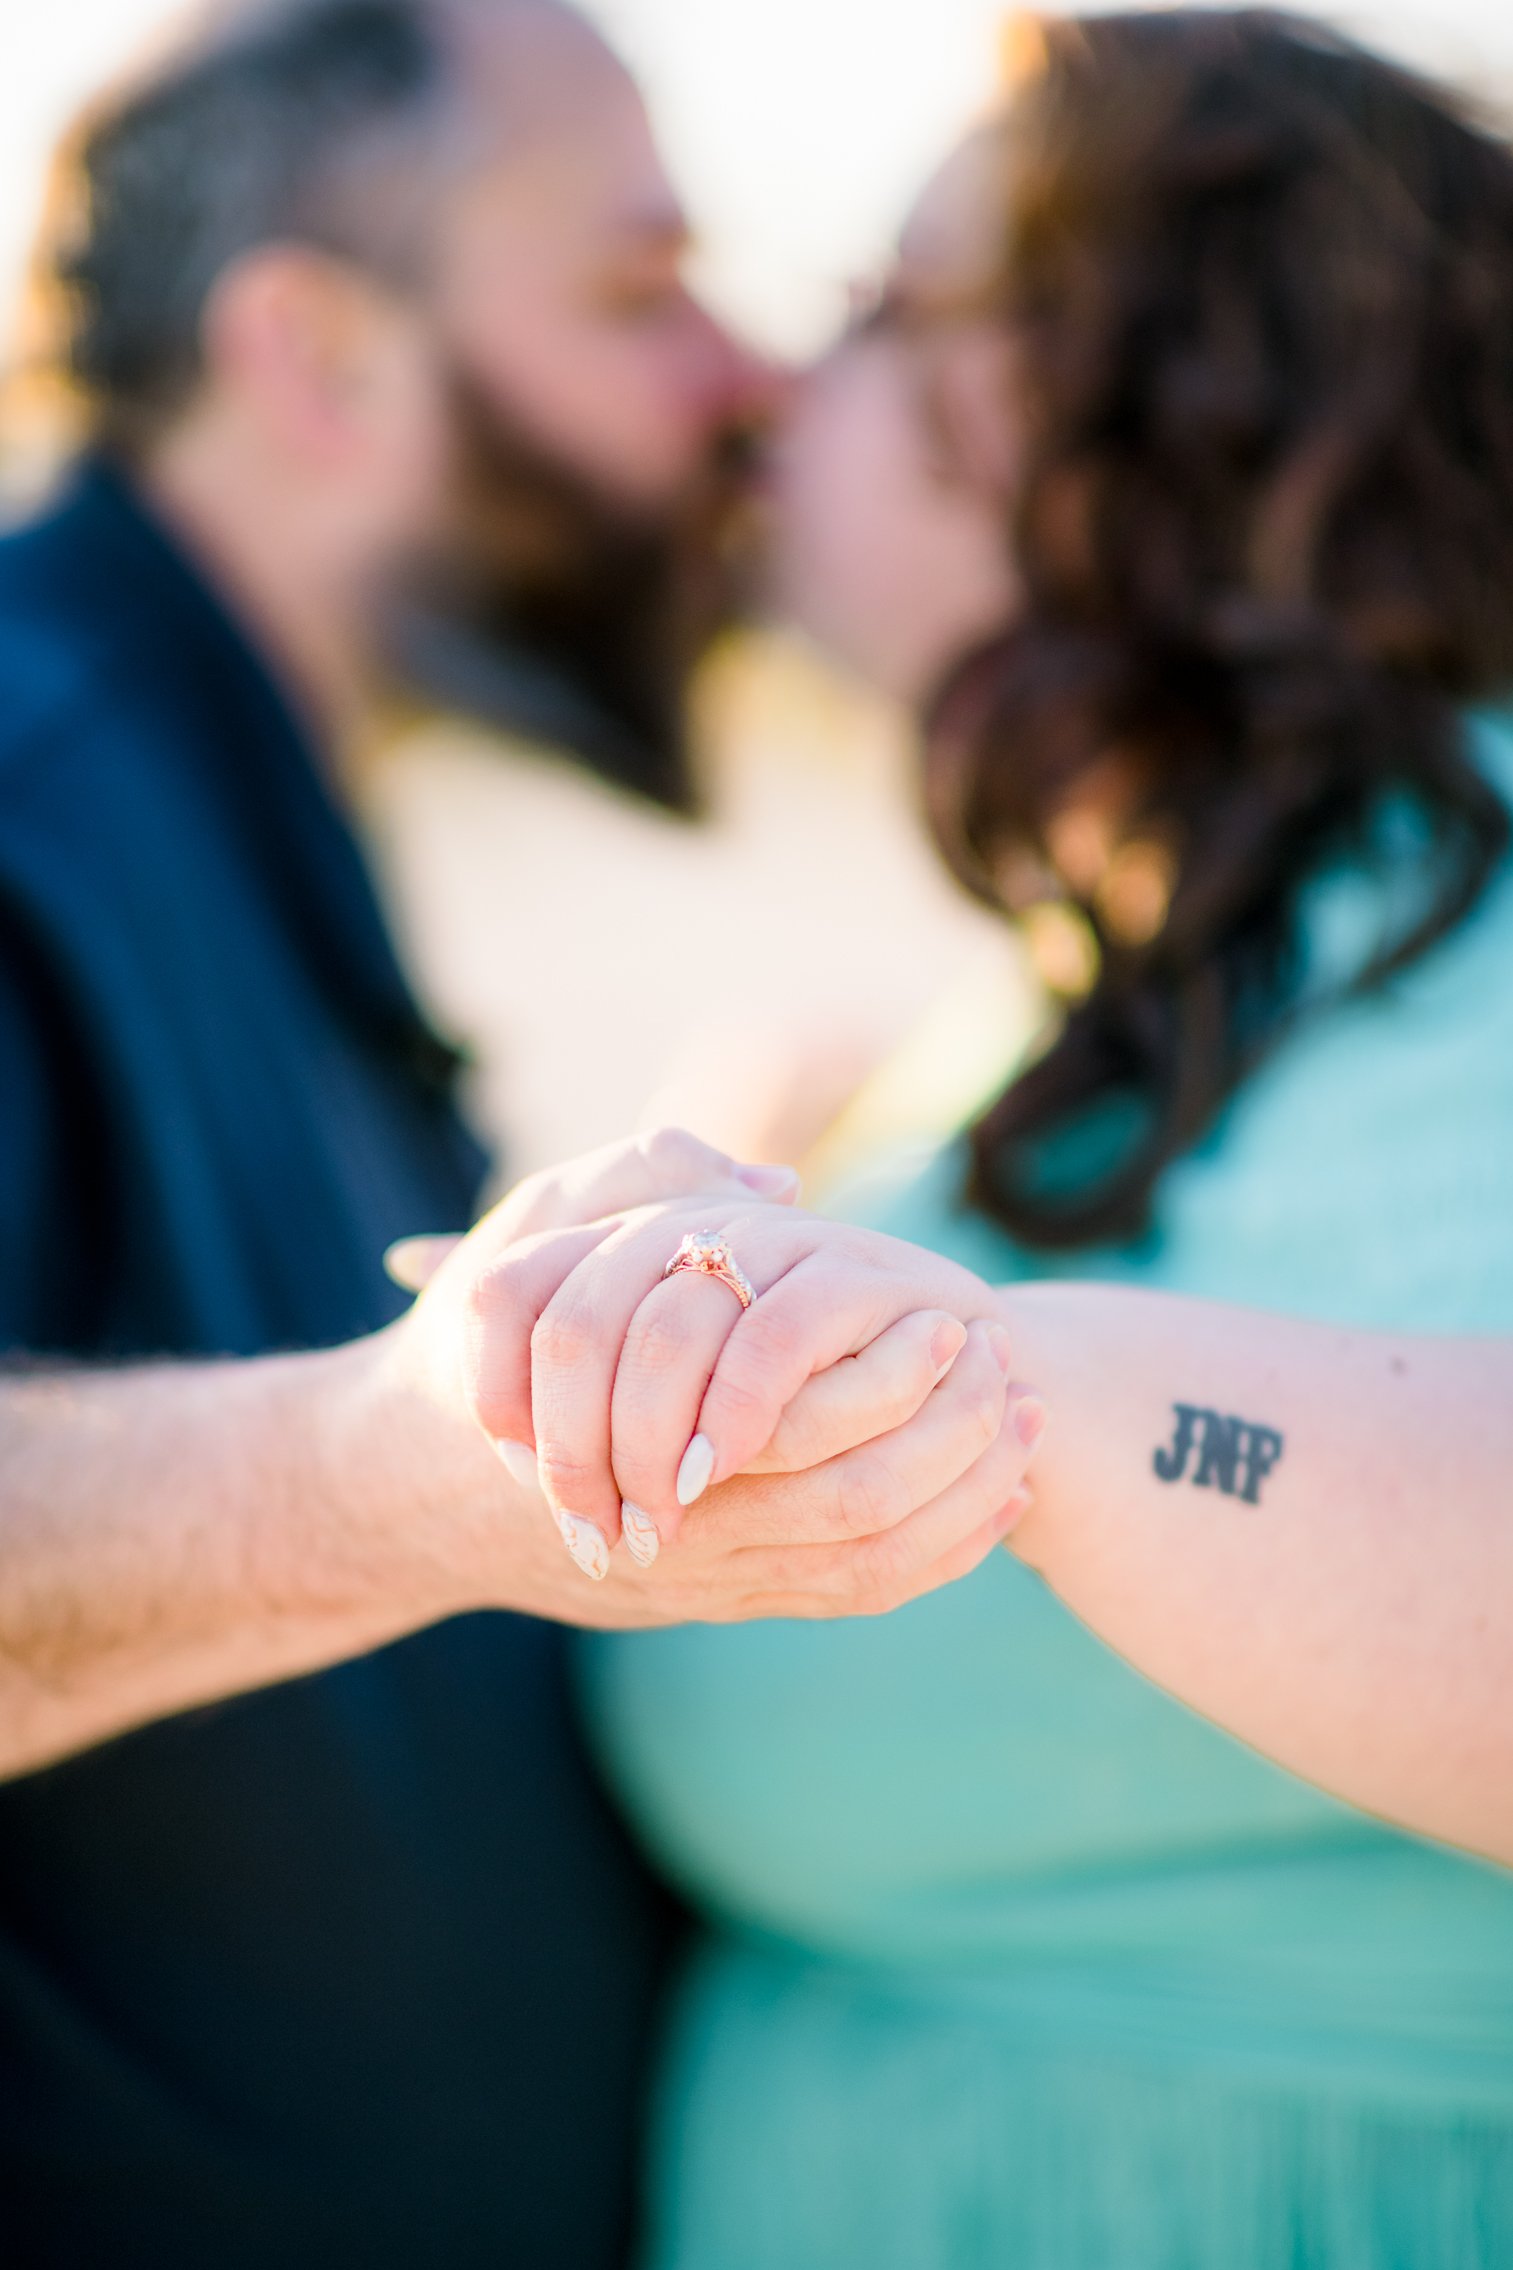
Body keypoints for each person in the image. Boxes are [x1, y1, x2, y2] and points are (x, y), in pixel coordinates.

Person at [0, 2, 1043, 2262]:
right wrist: (412, 1465)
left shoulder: (204, 790)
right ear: (315, 356)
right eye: (634, 285)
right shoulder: (33, 784)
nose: (747, 382)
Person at [575, 14, 1513, 2263]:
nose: (789, 397)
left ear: (1170, 410)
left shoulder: (1467, 933)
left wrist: (967, 1394)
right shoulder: (1126, 964)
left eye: (902, 314)